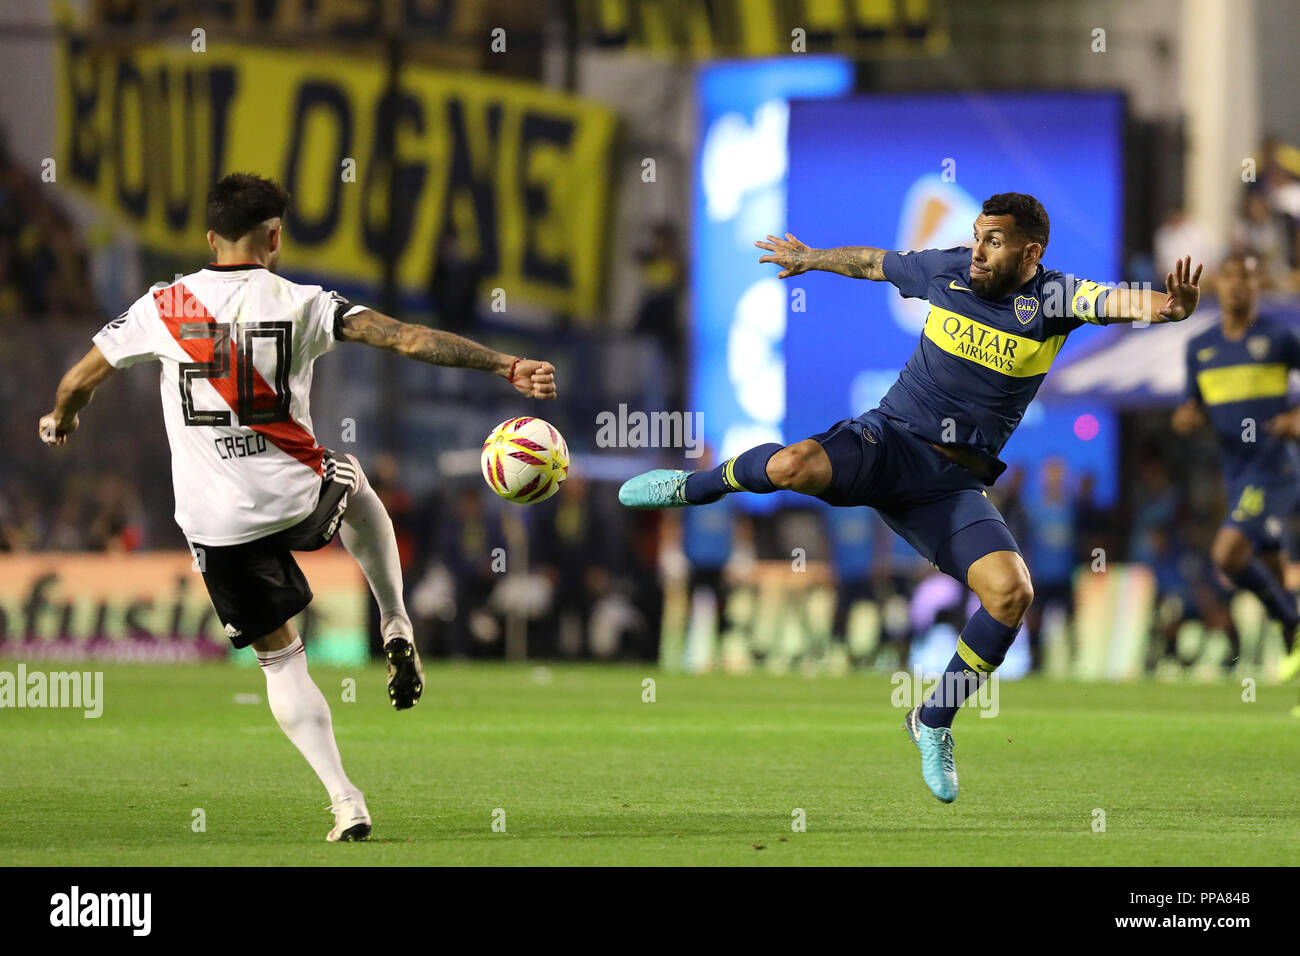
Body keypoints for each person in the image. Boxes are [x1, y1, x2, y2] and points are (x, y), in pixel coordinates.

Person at [619, 193, 1203, 803]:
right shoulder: (947, 269)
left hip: (949, 487)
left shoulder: (1054, 298)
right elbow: (875, 263)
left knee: (1011, 594)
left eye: (993, 241)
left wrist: (1167, 307)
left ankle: (932, 721)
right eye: (977, 235)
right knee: (793, 464)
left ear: (1031, 252)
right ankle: (692, 486)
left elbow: (1114, 300)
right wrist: (814, 257)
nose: (977, 250)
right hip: (888, 441)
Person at [38, 172, 557, 841]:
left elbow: (78, 380)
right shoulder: (305, 302)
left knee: (281, 663)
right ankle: (395, 618)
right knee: (358, 485)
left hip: (217, 523)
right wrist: (503, 365)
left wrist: (60, 420)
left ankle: (346, 799)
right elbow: (404, 337)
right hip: (298, 494)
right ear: (275, 236)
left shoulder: (160, 308)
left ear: (209, 237)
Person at [1171, 251, 1300, 682]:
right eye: (1230, 277)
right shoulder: (1200, 348)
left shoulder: (1279, 338)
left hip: (1275, 467)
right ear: (1219, 286)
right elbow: (1192, 407)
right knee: (1275, 567)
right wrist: (1187, 418)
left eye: (1247, 277)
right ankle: (1292, 641)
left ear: (1258, 284)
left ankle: (1291, 621)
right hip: (1236, 472)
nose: (1239, 285)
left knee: (1226, 554)